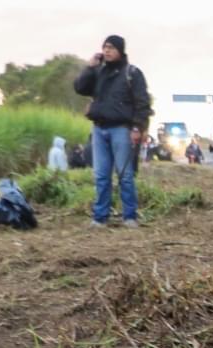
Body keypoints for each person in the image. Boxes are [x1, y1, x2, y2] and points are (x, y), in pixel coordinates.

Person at [72, 35, 151, 228]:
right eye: (105, 47)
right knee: (101, 175)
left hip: (121, 130)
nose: (107, 51)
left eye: (112, 48)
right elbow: (80, 88)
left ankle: (130, 216)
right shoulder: (98, 72)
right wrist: (89, 68)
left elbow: (142, 103)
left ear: (120, 51)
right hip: (99, 129)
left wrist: (137, 127)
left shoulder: (132, 73)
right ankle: (100, 217)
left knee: (125, 175)